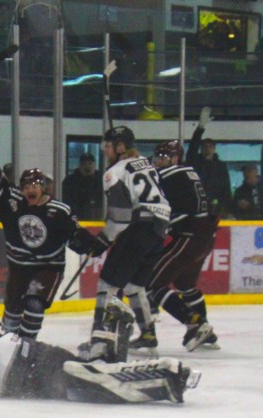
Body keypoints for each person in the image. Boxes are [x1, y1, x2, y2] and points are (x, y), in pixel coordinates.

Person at [0, 293, 198, 404]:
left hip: (27, 372)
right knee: (94, 375)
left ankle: (166, 376)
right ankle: (110, 332)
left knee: (100, 383)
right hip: (37, 357)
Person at [0, 145, 109, 339]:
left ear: (43, 187)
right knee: (12, 312)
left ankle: (26, 348)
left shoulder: (60, 210)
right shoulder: (12, 200)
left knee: (35, 304)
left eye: (35, 186)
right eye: (27, 187)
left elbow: (75, 235)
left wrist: (90, 244)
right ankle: (5, 347)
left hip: (49, 267)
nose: (30, 190)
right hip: (19, 266)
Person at [80, 126, 171, 362]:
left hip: (139, 229)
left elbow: (120, 217)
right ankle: (148, 337)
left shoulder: (115, 172)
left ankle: (99, 340)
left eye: (108, 147)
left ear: (119, 147)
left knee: (107, 283)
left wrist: (103, 239)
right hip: (159, 232)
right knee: (133, 285)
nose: (106, 151)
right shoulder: (146, 163)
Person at [132, 140, 219, 354]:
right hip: (204, 236)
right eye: (158, 157)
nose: (159, 161)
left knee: (151, 283)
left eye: (164, 157)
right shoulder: (187, 171)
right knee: (185, 284)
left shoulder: (168, 175)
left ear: (175, 159)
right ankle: (206, 334)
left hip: (190, 235)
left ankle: (195, 324)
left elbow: (149, 195)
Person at [185, 107, 230, 218]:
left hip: (215, 208)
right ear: (201, 149)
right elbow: (192, 148)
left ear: (214, 149)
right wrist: (200, 128)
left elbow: (226, 189)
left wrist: (226, 208)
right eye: (204, 146)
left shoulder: (221, 166)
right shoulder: (195, 162)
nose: (207, 149)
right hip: (196, 206)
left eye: (210, 146)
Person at [61, 152, 104, 220]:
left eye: (90, 163)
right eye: (84, 164)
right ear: (80, 165)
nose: (87, 167)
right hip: (76, 219)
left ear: (94, 165)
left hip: (97, 220)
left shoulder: (101, 181)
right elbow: (67, 202)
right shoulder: (70, 181)